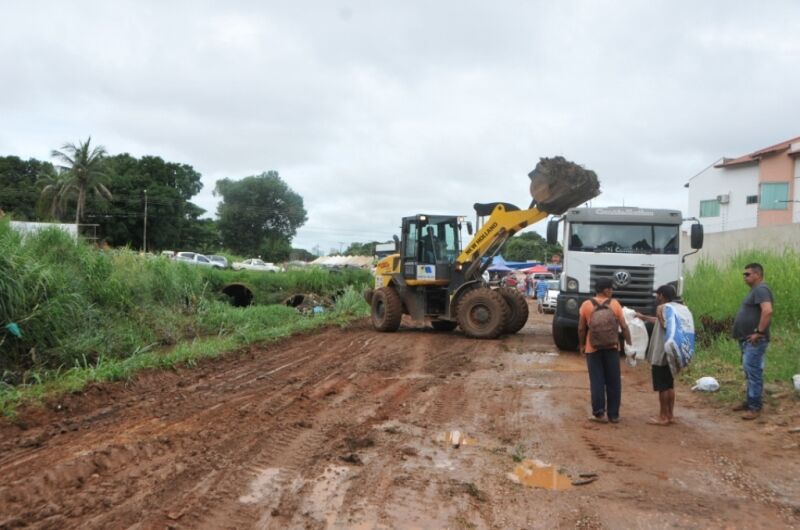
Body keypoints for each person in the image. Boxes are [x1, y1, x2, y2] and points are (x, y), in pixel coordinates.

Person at [578, 277, 632, 424]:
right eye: (610, 288)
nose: (612, 291)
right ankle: (614, 415)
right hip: (612, 347)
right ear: (605, 290)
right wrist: (629, 344)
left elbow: (581, 328)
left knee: (597, 381)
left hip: (592, 348)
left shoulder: (586, 305)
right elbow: (624, 326)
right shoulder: (615, 304)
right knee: (613, 381)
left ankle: (599, 414)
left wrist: (582, 345)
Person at [732, 263, 773, 420]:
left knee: (754, 372)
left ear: (757, 275)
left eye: (748, 274)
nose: (745, 277)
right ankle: (750, 402)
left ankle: (755, 407)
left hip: (755, 341)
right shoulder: (755, 291)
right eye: (744, 274)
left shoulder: (761, 289)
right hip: (747, 340)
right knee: (749, 372)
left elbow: (767, 311)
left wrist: (759, 332)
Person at [636, 285, 678, 426]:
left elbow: (663, 324)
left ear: (662, 295)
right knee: (670, 385)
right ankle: (670, 415)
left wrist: (658, 311)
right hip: (671, 351)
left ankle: (663, 416)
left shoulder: (662, 309)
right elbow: (660, 322)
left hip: (661, 351)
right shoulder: (675, 309)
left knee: (662, 386)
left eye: (657, 295)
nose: (656, 297)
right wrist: (644, 317)